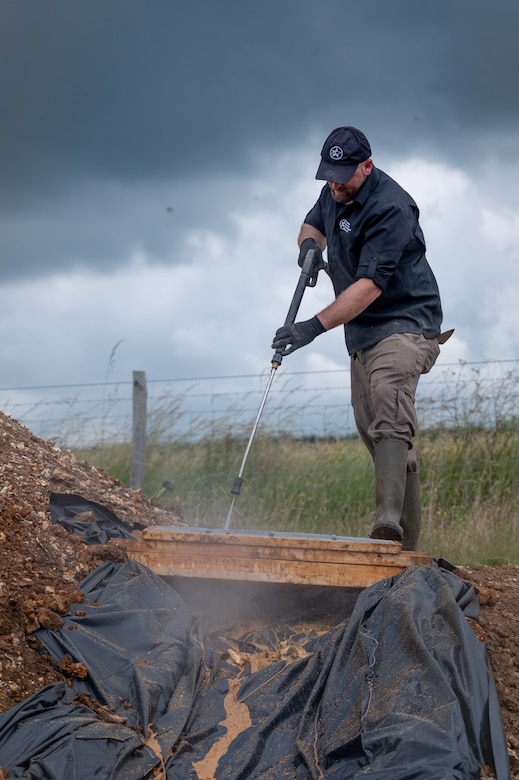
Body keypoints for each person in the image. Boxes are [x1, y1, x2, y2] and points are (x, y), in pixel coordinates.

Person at [271, 126, 451, 551]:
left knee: (389, 399)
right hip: (363, 332)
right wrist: (309, 251)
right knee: (376, 429)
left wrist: (311, 327)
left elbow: (370, 287)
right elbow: (311, 226)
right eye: (328, 174)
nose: (334, 182)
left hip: (405, 322)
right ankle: (406, 554)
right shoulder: (335, 190)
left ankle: (386, 525)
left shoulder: (392, 207)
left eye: (343, 174)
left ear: (366, 166)